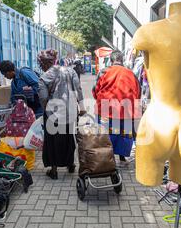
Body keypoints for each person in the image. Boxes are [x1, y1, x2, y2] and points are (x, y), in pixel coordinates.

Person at [38, 50, 85, 180]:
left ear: (43, 63)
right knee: (69, 137)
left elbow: (43, 97)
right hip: (70, 111)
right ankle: (71, 164)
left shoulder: (44, 78)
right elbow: (78, 89)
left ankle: (54, 170)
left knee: (52, 140)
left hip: (54, 113)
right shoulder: (70, 71)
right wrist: (82, 107)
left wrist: (46, 111)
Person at [92, 51, 141, 163]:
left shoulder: (104, 72)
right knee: (123, 134)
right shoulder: (131, 73)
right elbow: (138, 91)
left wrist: (97, 99)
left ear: (111, 60)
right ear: (122, 60)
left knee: (107, 134)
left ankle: (108, 158)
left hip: (106, 109)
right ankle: (122, 156)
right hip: (126, 110)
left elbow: (95, 89)